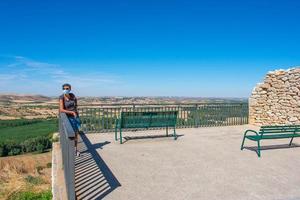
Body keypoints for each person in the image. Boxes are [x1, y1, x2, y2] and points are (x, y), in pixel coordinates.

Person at [59, 83, 81, 156]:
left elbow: (76, 105)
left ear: (70, 89)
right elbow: (61, 110)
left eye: (67, 88)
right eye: (64, 89)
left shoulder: (72, 95)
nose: (65, 90)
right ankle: (70, 150)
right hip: (68, 118)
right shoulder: (61, 97)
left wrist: (76, 112)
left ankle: (76, 149)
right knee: (70, 134)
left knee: (76, 133)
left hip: (75, 117)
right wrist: (71, 112)